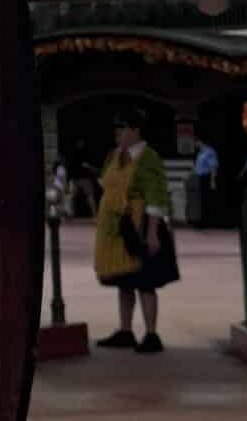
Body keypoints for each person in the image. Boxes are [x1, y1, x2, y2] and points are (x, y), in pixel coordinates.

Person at [93, 112, 179, 354]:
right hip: (116, 228)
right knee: (123, 280)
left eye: (122, 128)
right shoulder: (113, 155)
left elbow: (156, 197)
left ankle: (151, 334)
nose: (117, 133)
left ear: (136, 131)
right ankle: (126, 331)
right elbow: (106, 185)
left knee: (145, 281)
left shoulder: (148, 157)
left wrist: (152, 233)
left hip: (140, 226)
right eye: (116, 129)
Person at [193, 137, 220, 225]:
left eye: (195, 142)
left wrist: (213, 181)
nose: (194, 144)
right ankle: (202, 221)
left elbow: (213, 167)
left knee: (206, 200)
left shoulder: (209, 152)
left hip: (206, 178)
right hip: (200, 178)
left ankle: (208, 221)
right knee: (201, 200)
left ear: (200, 142)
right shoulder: (200, 152)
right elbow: (198, 167)